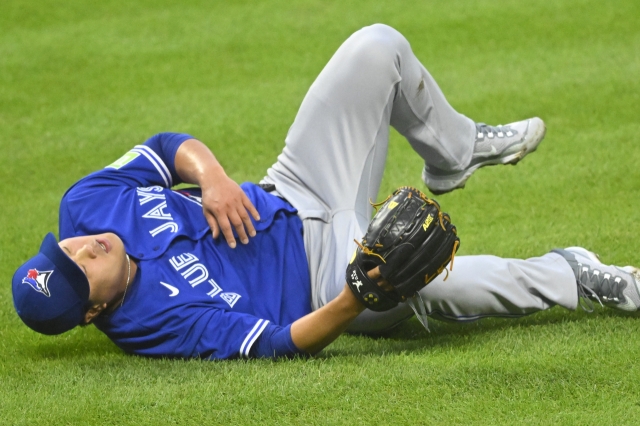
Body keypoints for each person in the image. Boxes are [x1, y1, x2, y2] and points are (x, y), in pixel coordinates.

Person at [12, 24, 640, 360]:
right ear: (94, 313)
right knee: (434, 280)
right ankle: (576, 275)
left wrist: (212, 176)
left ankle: (453, 152)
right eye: (82, 267)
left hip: (294, 186)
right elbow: (281, 344)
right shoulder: (155, 325)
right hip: (327, 281)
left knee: (375, 47)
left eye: (67, 249)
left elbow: (166, 144)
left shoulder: (86, 204)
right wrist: (355, 297)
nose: (87, 246)